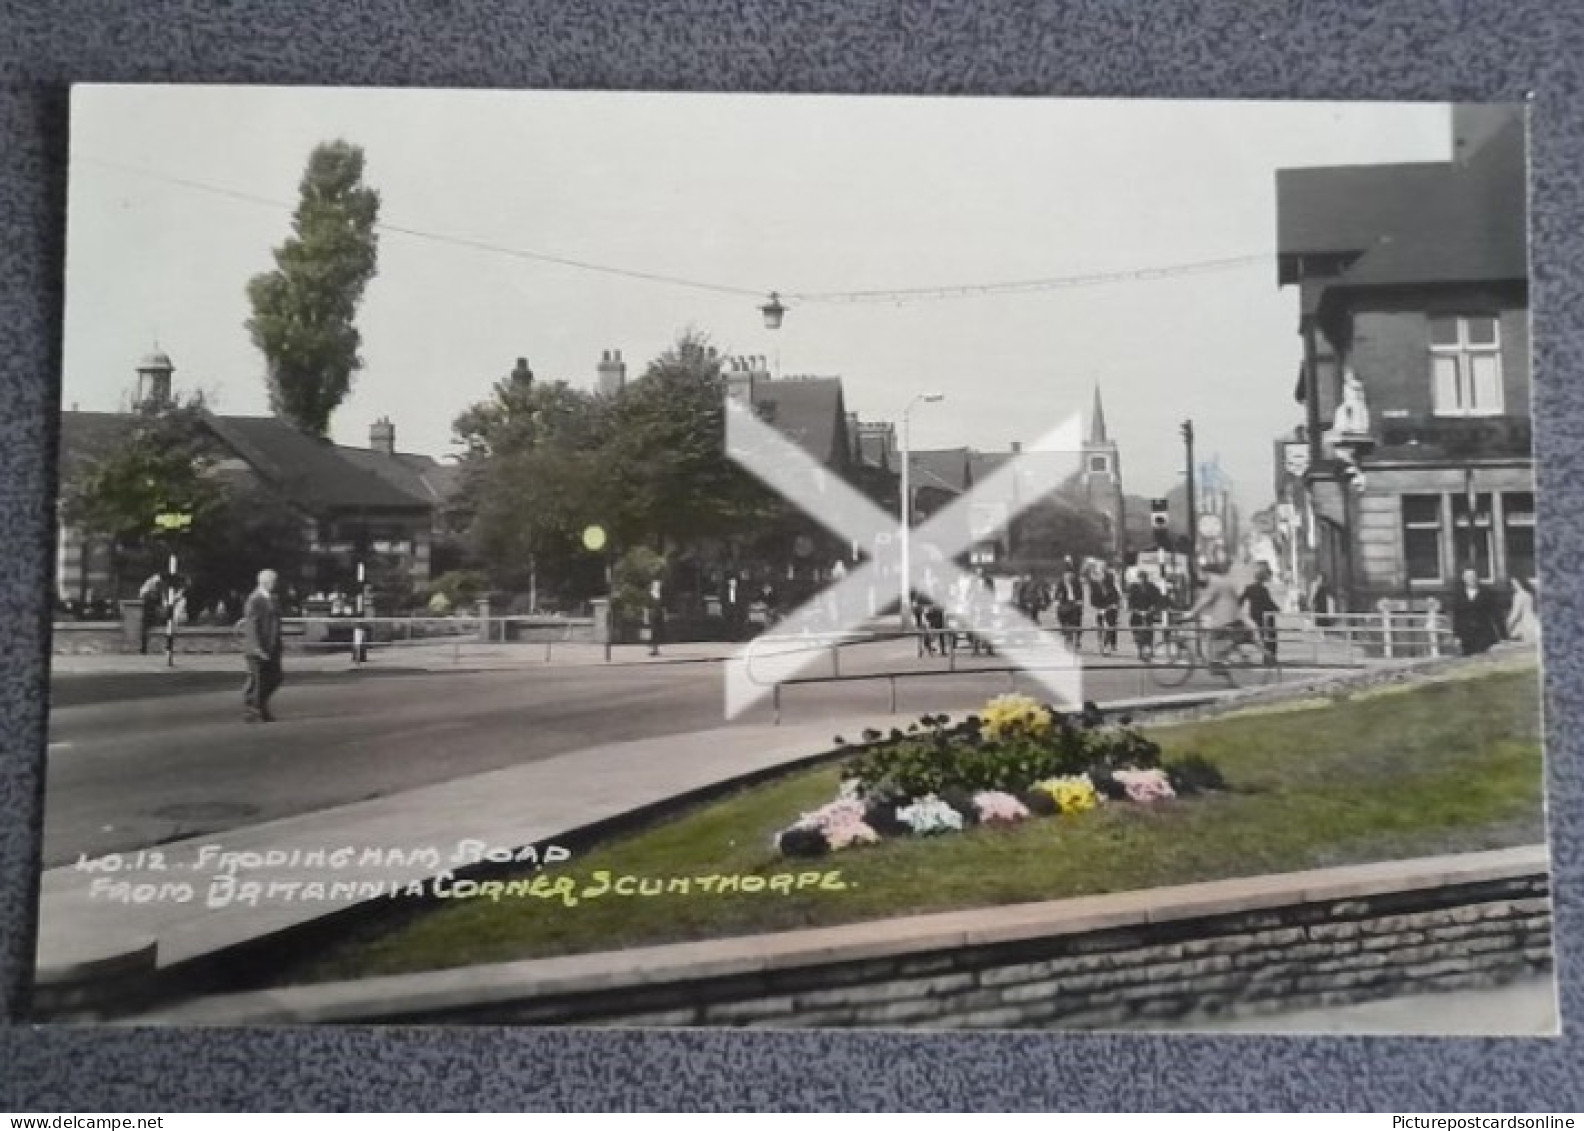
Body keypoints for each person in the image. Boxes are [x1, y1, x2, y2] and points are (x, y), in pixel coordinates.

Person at [1184, 562, 1247, 671]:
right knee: (1217, 637)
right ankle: (1220, 659)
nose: (1200, 577)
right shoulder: (1224, 580)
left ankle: (1215, 662)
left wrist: (1191, 612)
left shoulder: (1215, 582)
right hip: (1233, 615)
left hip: (1224, 617)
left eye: (1201, 573)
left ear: (1207, 573)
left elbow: (1205, 599)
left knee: (1210, 634)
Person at [242, 568, 284, 723]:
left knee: (276, 677)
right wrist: (257, 647)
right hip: (258, 649)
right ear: (266, 582)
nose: (276, 584)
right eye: (274, 581)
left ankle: (256, 706)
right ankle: (254, 709)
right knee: (259, 680)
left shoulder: (273, 599)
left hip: (272, 647)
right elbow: (252, 626)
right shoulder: (254, 600)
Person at [1448, 566, 1502, 657]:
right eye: (1468, 577)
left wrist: (1503, 635)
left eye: (1473, 577)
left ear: (1477, 578)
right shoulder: (1459, 595)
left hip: (1484, 633)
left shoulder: (1487, 593)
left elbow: (1496, 614)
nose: (1471, 579)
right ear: (1464, 579)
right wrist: (1456, 636)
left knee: (1483, 659)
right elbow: (1457, 616)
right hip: (1466, 635)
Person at [1240, 563, 1282, 665]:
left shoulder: (1249, 588)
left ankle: (1267, 658)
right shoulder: (1264, 590)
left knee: (1264, 637)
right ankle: (1270, 658)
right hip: (1265, 616)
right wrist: (1278, 609)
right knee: (1271, 636)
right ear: (1263, 579)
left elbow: (1240, 600)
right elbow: (1269, 603)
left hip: (1254, 615)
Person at [1126, 571, 1164, 660]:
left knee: (1149, 632)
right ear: (1138, 579)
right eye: (1140, 578)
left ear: (1146, 578)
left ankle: (1149, 649)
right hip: (1136, 614)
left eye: (1144, 578)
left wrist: (1152, 608)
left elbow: (1158, 599)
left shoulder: (1152, 588)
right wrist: (1133, 609)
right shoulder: (1133, 587)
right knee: (1136, 632)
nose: (1142, 580)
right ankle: (1140, 650)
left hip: (1148, 613)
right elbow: (1130, 600)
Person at [1089, 567, 1122, 656]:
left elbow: (1116, 596)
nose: (1100, 577)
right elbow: (1093, 600)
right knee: (1100, 627)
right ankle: (1101, 644)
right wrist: (1100, 608)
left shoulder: (1110, 584)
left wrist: (1114, 604)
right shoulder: (1094, 587)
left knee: (1110, 626)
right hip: (1100, 610)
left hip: (1111, 609)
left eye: (1101, 575)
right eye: (1098, 575)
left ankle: (1106, 645)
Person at [1053, 566, 1085, 651]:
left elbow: (1080, 593)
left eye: (1070, 574)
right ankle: (1066, 633)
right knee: (1061, 614)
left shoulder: (1077, 583)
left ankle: (1077, 638)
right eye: (1067, 574)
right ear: (1064, 575)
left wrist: (1080, 601)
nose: (1068, 576)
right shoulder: (1061, 583)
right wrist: (1056, 600)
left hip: (1075, 603)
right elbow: (1056, 594)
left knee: (1077, 620)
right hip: (1065, 603)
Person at [1506, 577, 1540, 645]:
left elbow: (1515, 614)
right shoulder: (1528, 594)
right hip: (1533, 622)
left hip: (1523, 624)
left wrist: (1508, 625)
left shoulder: (1518, 596)